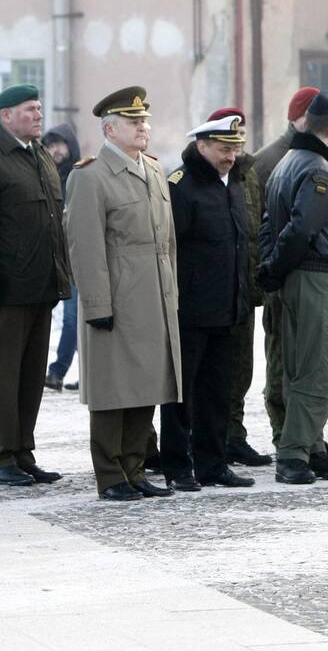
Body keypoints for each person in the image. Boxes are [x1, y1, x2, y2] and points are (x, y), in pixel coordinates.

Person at [65, 86, 179, 500]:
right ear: (110, 129)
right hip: (118, 296)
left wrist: (173, 295)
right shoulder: (89, 175)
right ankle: (110, 475)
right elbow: (85, 244)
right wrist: (96, 304)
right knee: (113, 390)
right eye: (134, 123)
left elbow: (168, 242)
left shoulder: (154, 170)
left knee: (147, 386)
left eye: (145, 122)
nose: (143, 129)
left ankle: (135, 467)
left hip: (154, 296)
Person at [257, 91, 328, 484]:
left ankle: (310, 447)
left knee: (296, 367)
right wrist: (277, 266)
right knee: (316, 369)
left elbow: (270, 224)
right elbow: (301, 229)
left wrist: (271, 268)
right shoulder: (317, 170)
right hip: (314, 276)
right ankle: (295, 453)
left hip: (295, 277)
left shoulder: (286, 162)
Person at [159, 114, 255, 490]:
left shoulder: (231, 183)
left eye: (235, 148)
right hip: (191, 309)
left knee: (217, 392)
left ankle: (213, 464)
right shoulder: (181, 185)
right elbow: (170, 248)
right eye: (223, 148)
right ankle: (178, 467)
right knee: (181, 395)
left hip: (227, 307)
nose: (231, 155)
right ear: (201, 147)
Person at [0, 84, 71, 486]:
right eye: (30, 109)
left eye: (40, 108)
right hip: (8, 290)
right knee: (4, 375)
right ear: (6, 115)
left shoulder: (40, 155)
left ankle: (22, 450)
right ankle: (2, 453)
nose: (38, 115)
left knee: (30, 376)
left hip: (41, 285)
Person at [208, 107, 271, 468]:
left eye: (240, 138)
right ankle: (207, 438)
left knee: (241, 368)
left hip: (244, 289)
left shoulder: (248, 175)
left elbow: (259, 226)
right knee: (211, 371)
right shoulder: (199, 177)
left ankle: (234, 435)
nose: (234, 148)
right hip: (213, 292)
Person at [41, 123, 82, 392]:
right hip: (47, 258)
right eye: (51, 144)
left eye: (61, 144)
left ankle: (58, 371)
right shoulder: (41, 174)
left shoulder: (80, 176)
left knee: (73, 317)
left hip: (75, 258)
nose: (56, 150)